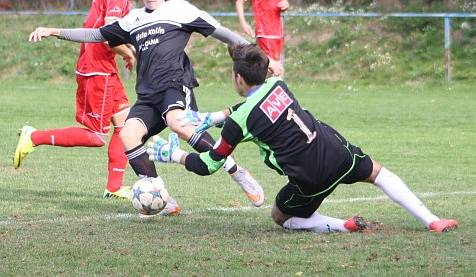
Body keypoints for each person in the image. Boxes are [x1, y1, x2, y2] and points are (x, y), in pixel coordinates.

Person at [27, 0, 268, 215]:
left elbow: (224, 34)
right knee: (128, 135)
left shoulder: (180, 9)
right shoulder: (134, 19)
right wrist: (54, 31)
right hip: (148, 95)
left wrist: (260, 58)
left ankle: (235, 170)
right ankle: (161, 196)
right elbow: (96, 34)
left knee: (179, 124)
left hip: (175, 85)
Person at [147, 44, 459, 233]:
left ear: (238, 79)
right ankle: (431, 219)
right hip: (336, 151)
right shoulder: (278, 83)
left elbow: (209, 165)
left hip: (310, 177)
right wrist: (213, 116)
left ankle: (340, 225)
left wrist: (175, 156)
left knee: (281, 217)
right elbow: (253, 103)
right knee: (379, 173)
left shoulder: (239, 123)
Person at [14, 0, 138, 199]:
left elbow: (108, 35)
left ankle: (114, 187)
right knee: (95, 136)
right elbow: (108, 39)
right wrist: (130, 52)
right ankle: (34, 136)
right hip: (96, 70)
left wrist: (124, 50)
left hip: (104, 67)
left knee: (124, 124)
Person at [236, 0, 289, 77]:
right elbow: (239, 2)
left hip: (278, 33)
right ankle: (269, 93)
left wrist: (286, 5)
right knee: (272, 68)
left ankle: (271, 92)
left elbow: (283, 4)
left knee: (276, 68)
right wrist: (243, 23)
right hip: (264, 32)